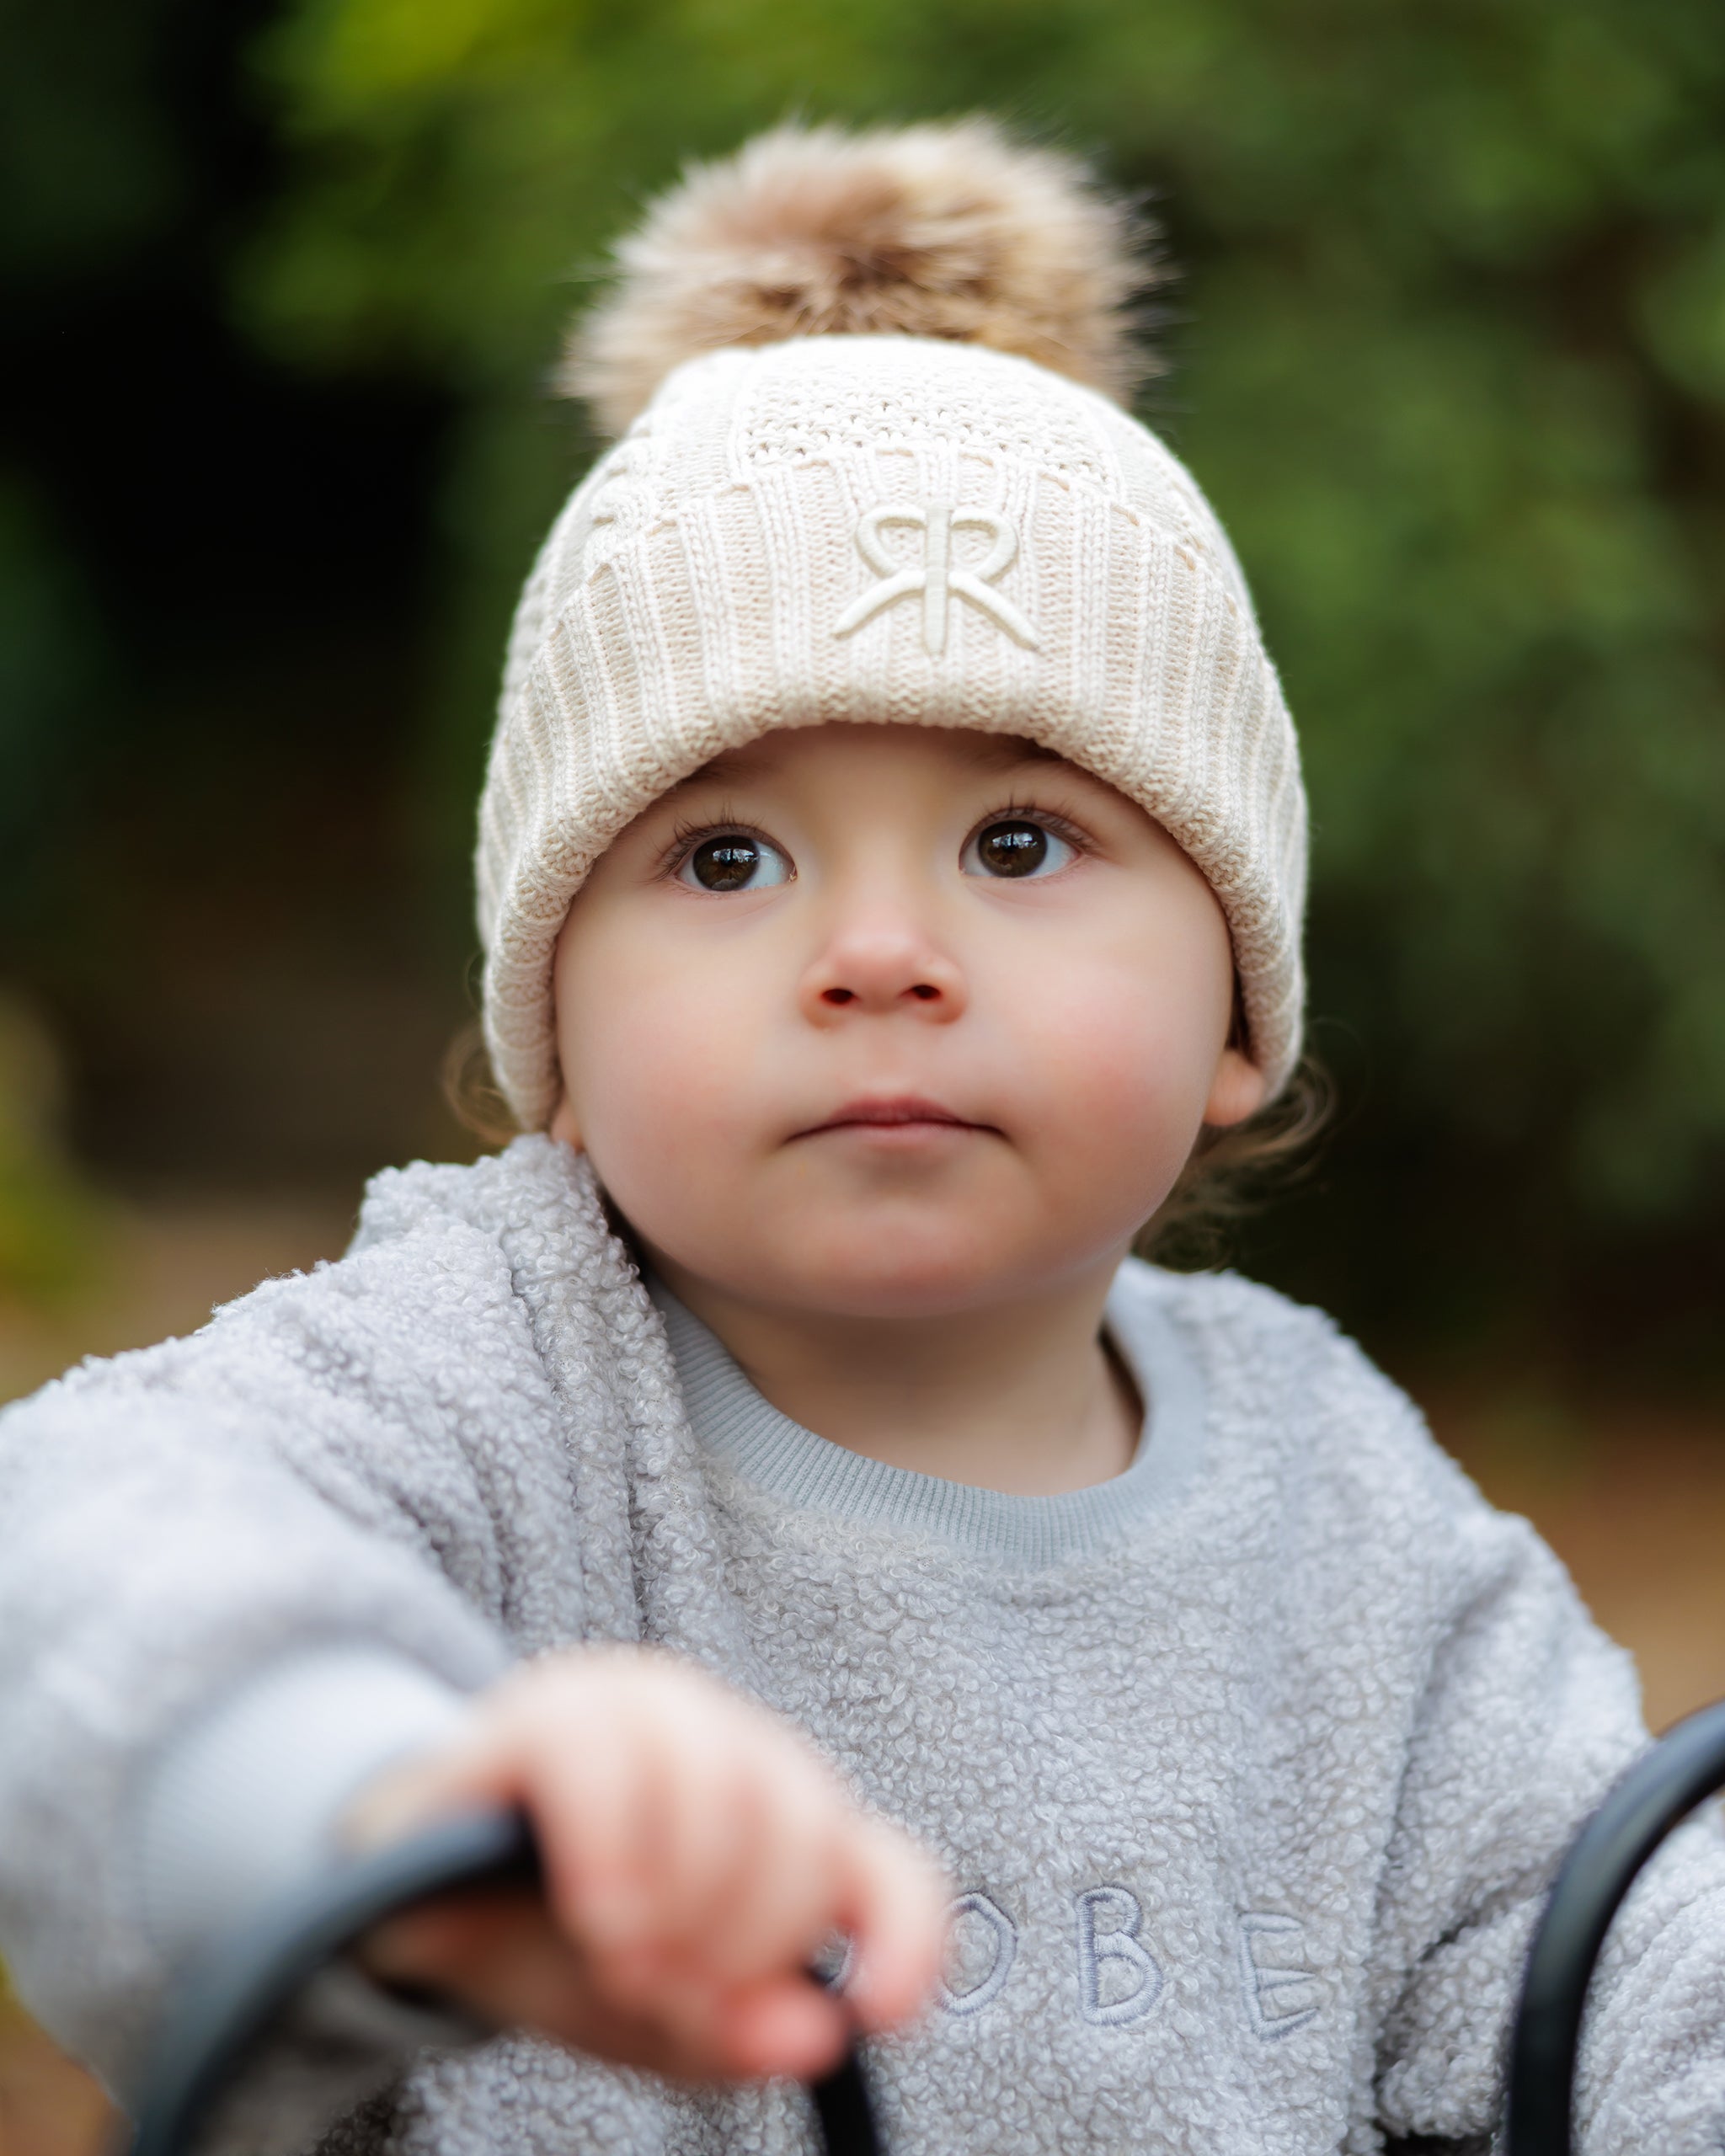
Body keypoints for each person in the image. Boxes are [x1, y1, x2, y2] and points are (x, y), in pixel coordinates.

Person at [0, 115, 1721, 2156]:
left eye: (1020, 840)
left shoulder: (1347, 1502)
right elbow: (80, 1566)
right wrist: (377, 1803)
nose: (880, 952)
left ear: (1237, 1012)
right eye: (725, 854)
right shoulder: (479, 1382)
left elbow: (1609, 1942)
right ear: (547, 1023)